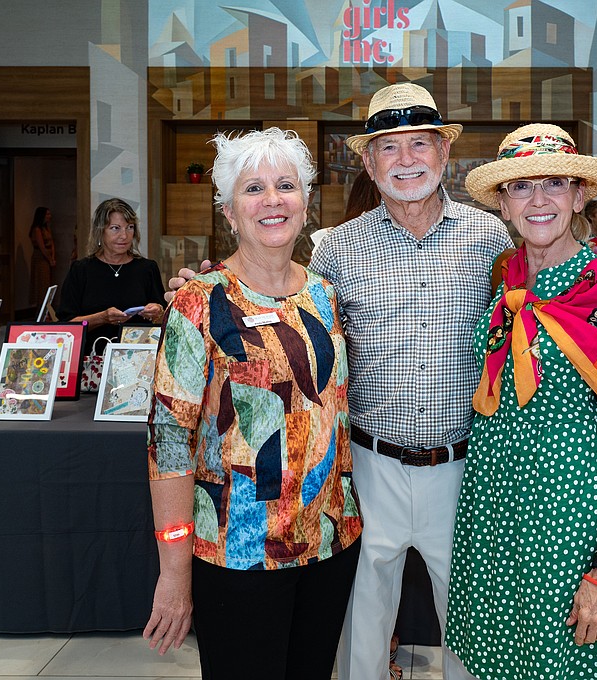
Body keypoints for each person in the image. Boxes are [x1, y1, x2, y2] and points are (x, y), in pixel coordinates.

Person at [164, 84, 513, 680]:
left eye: (421, 144)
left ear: (445, 155)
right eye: (390, 148)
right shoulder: (333, 250)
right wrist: (198, 288)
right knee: (360, 640)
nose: (407, 160)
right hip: (363, 475)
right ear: (369, 164)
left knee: (473, 636)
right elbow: (266, 287)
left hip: (463, 466)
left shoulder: (494, 241)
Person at [143, 128, 362, 680]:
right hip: (236, 553)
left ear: (306, 204)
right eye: (253, 189)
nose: (272, 200)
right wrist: (174, 572)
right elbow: (170, 445)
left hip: (328, 543)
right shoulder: (198, 302)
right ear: (228, 211)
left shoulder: (324, 294)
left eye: (285, 185)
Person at [446, 123, 597, 680]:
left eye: (554, 184)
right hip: (493, 512)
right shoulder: (506, 279)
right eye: (521, 187)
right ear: (504, 205)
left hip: (567, 524)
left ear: (579, 196)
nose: (538, 200)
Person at [57, 198, 165, 353]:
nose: (124, 235)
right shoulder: (81, 270)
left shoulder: (147, 268)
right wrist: (102, 317)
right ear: (100, 231)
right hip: (92, 359)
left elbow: (163, 317)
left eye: (130, 227)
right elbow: (67, 326)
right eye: (115, 228)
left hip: (139, 361)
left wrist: (157, 312)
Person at [29, 206, 56, 309]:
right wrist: (50, 259)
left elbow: (52, 243)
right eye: (47, 214)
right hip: (40, 258)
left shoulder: (46, 228)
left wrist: (53, 257)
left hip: (48, 257)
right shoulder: (37, 230)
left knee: (48, 283)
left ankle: (47, 308)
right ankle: (41, 308)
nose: (50, 216)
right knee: (41, 283)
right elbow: (42, 247)